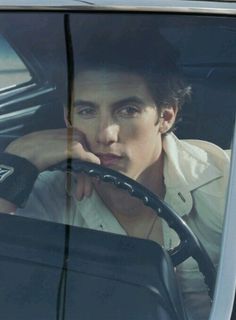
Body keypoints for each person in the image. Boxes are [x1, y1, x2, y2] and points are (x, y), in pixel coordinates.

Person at [0, 16, 230, 320]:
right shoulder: (48, 191)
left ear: (166, 117)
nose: (105, 134)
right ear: (69, 119)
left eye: (127, 110)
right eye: (87, 110)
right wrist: (16, 161)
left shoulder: (225, 185)